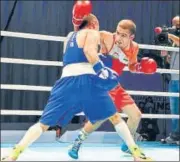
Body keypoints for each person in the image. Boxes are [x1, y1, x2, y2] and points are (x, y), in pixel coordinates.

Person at [2, 5, 121, 162]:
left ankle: (15, 153)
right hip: (87, 80)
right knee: (113, 116)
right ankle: (135, 153)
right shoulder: (93, 33)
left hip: (66, 82)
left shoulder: (70, 36)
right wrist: (102, 69)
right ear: (92, 24)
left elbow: (83, 50)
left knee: (43, 124)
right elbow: (90, 52)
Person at [68, 16, 156, 160]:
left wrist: (140, 67)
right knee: (100, 117)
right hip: (100, 83)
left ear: (131, 37)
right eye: (118, 33)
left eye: (123, 35)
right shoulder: (107, 37)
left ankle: (127, 145)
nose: (119, 38)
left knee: (136, 115)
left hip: (114, 84)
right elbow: (84, 35)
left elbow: (132, 66)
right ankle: (76, 143)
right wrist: (77, 23)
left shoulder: (134, 47)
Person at [161, 15, 179, 145]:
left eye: (177, 25)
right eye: (173, 24)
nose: (174, 27)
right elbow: (171, 60)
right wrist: (166, 55)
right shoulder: (173, 40)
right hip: (173, 79)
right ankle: (175, 136)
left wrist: (169, 35)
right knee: (174, 110)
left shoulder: (174, 38)